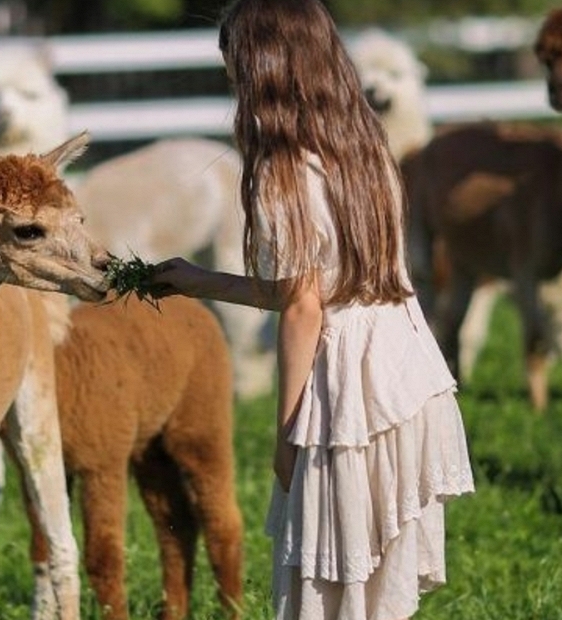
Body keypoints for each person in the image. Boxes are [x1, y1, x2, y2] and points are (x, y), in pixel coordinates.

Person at [147, 0, 476, 617]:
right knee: (376, 594)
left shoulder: (283, 169)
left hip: (348, 390)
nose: (232, 85)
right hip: (407, 372)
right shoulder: (362, 145)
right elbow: (313, 286)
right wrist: (199, 282)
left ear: (263, 69)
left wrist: (287, 432)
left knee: (327, 593)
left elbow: (302, 310)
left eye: (235, 68)